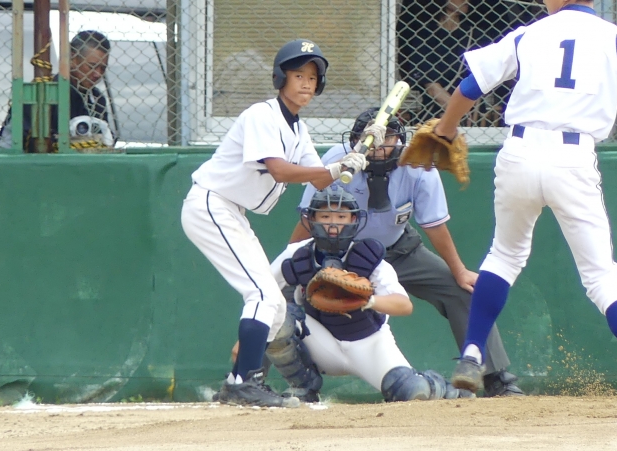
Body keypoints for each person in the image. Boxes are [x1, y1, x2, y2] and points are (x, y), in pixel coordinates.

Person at [435, 0, 617, 399]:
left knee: (504, 256)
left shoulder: (529, 33)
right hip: (573, 158)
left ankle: (472, 355)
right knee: (601, 276)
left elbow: (471, 86)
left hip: (519, 152)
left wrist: (445, 128)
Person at [180, 39, 368, 408]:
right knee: (262, 295)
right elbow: (280, 170)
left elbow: (319, 180)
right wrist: (334, 169)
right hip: (211, 204)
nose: (306, 83)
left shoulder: (298, 129)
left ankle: (238, 383)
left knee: (274, 304)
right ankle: (244, 383)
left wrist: (352, 158)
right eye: (298, 75)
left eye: (312, 77)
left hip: (231, 211)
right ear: (281, 78)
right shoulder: (262, 115)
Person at [289, 108, 524, 397]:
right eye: (368, 138)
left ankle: (495, 378)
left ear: (399, 140)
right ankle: (269, 380)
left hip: (400, 250)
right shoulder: (337, 161)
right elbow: (309, 217)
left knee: (462, 291)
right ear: (354, 140)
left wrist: (459, 270)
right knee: (280, 298)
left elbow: (434, 225)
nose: (378, 145)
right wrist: (290, 258)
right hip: (342, 256)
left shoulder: (417, 163)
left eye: (387, 138)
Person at [266, 186, 474, 402]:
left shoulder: (367, 257)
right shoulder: (297, 254)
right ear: (311, 219)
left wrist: (367, 300)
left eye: (341, 217)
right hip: (320, 342)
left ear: (354, 220)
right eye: (325, 216)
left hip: (368, 343)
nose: (333, 224)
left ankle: (442, 387)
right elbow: (262, 291)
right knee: (277, 315)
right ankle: (303, 388)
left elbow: (404, 305)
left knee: (412, 391)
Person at [0, 30, 114, 152]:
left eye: (103, 68)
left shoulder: (97, 99)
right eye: (92, 66)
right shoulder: (42, 92)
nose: (98, 74)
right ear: (73, 58)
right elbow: (18, 142)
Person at [398, 0, 476, 123]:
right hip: (435, 113)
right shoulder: (425, 36)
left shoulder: (475, 35)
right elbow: (432, 88)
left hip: (472, 113)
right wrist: (459, 113)